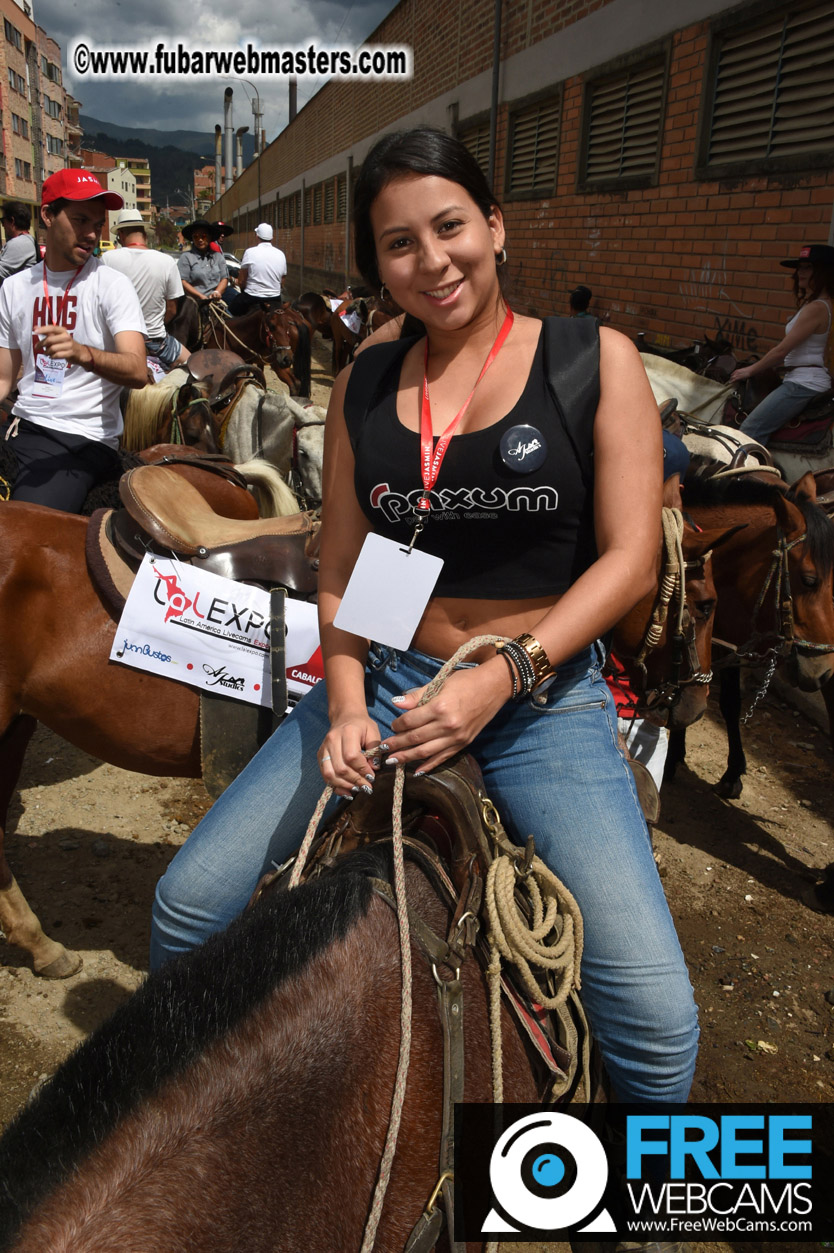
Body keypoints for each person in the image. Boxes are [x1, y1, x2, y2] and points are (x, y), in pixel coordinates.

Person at [151, 128, 698, 1112]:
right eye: (399, 243)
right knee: (187, 905)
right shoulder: (366, 376)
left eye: (450, 226)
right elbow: (348, 563)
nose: (432, 259)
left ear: (493, 225)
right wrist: (351, 697)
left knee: (658, 1023)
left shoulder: (592, 358)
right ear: (378, 265)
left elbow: (630, 561)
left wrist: (506, 674)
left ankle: (642, 1205)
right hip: (389, 679)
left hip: (541, 705)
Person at [0, 169, 147, 511]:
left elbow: (138, 370)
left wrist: (83, 353)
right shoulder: (14, 288)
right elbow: (5, 377)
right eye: (81, 220)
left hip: (81, 439)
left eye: (98, 224)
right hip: (23, 426)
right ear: (48, 215)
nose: (92, 233)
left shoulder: (111, 284)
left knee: (22, 533)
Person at [732, 243, 834, 445]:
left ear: (823, 271)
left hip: (803, 384)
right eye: (800, 267)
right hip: (799, 377)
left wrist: (750, 370)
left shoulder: (817, 308)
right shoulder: (816, 304)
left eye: (808, 267)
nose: (800, 273)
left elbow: (781, 350)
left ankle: (750, 476)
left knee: (749, 430)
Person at [103, 208, 189, 369]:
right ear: (144, 233)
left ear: (121, 234)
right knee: (194, 367)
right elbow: (172, 310)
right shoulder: (167, 261)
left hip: (119, 342)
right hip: (156, 342)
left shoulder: (107, 259)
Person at [232, 222, 287, 314]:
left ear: (257, 236)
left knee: (230, 313)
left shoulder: (250, 252)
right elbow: (282, 281)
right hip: (275, 299)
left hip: (252, 298)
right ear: (272, 237)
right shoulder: (281, 254)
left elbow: (241, 281)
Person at [177, 219, 228, 306]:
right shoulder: (186, 257)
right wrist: (200, 296)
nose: (200, 240)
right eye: (196, 237)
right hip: (193, 303)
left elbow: (224, 279)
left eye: (203, 236)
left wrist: (217, 292)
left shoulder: (218, 257)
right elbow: (182, 281)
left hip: (215, 302)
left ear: (210, 237)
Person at [0, 202, 39, 283]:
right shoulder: (27, 240)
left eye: (3, 221)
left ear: (12, 221)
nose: (3, 226)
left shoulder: (19, 243)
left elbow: (1, 272)